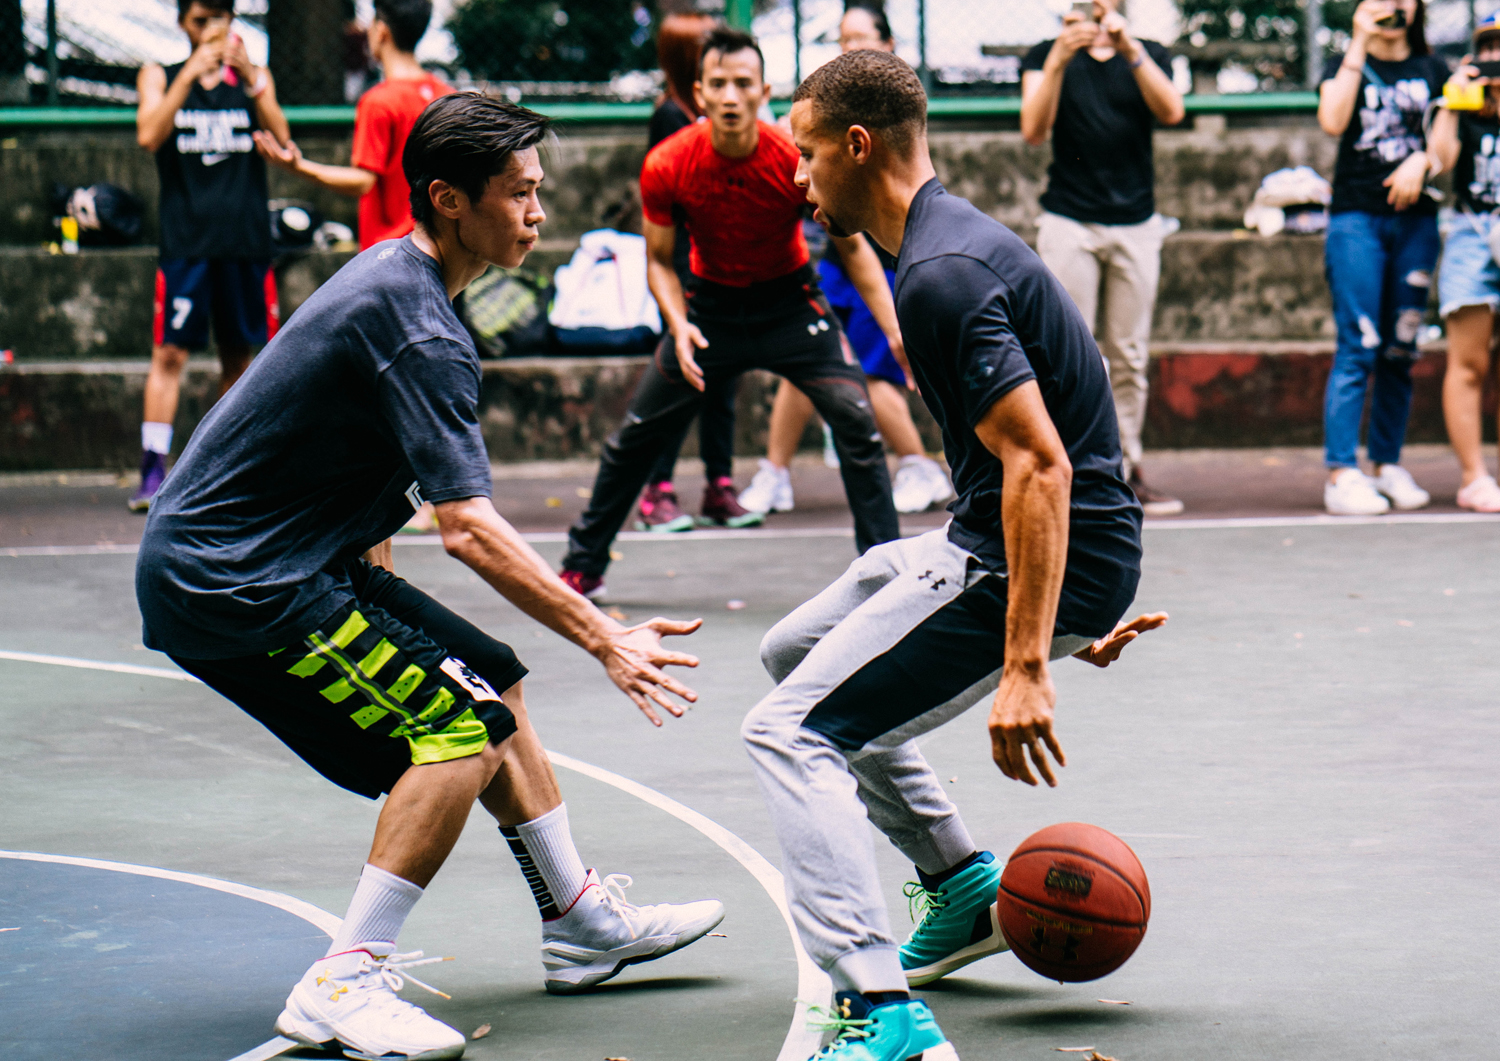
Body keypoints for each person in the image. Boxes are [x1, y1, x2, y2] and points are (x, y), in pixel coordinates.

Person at [135, 93, 724, 1059]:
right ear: (449, 200)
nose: (540, 213)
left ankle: (577, 918)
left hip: (287, 556)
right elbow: (471, 530)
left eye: (541, 191)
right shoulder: (418, 324)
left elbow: (351, 464)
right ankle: (341, 979)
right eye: (521, 194)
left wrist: (386, 601)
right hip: (235, 579)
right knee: (458, 728)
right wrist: (606, 635)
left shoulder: (412, 286)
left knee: (492, 676)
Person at [742, 49, 1166, 1059]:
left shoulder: (942, 272)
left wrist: (1030, 654)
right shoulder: (934, 244)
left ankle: (880, 1012)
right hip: (1013, 545)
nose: (796, 177)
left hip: (1018, 554)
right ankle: (961, 881)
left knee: (788, 732)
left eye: (804, 154)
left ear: (856, 144)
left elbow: (1043, 464)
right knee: (793, 653)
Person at [558, 28, 901, 601]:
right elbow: (662, 263)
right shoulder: (668, 164)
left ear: (763, 90)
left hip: (791, 305)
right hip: (708, 313)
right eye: (718, 84)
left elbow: (851, 246)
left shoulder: (790, 157)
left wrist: (894, 328)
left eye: (744, 83)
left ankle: (885, 575)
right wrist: (678, 323)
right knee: (633, 439)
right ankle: (581, 568)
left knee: (857, 425)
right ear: (700, 94)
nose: (732, 95)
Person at [739, 1, 954, 518]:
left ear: (888, 46)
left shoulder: (896, 122)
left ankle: (918, 462)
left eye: (860, 37)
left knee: (871, 372)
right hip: (838, 262)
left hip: (880, 262)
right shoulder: (827, 117)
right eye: (842, 39)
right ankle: (776, 471)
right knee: (809, 365)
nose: (849, 48)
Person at [1020, 0, 1185, 517]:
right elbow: (1033, 129)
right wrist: (1057, 62)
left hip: (1136, 221)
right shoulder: (1045, 54)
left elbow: (1172, 110)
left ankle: (1126, 468)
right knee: (1068, 349)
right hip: (1070, 219)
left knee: (1130, 352)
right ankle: (1067, 467)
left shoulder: (1148, 53)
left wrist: (1130, 48)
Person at [129, 0, 290, 512]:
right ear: (183, 24)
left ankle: (230, 468)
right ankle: (154, 467)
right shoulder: (161, 75)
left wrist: (254, 82)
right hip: (187, 242)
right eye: (200, 21)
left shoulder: (251, 80)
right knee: (170, 353)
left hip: (242, 240)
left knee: (242, 359)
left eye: (219, 19)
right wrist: (189, 77)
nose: (211, 31)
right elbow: (149, 134)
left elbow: (283, 140)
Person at [633, 10, 762, 533]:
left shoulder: (730, 117)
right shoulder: (672, 117)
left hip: (720, 270)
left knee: (722, 384)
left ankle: (718, 486)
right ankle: (656, 491)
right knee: (680, 382)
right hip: (687, 273)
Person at [1315, 0, 1443, 516]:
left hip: (1417, 223)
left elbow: (1447, 148)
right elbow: (1332, 119)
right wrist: (1358, 41)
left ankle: (1386, 462)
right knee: (1359, 343)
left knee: (1401, 347)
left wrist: (1424, 159)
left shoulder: (1435, 70)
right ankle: (1341, 471)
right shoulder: (1344, 62)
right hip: (1357, 220)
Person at [254, 0, 452, 251]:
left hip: (393, 253)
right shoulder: (445, 95)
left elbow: (363, 181)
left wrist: (298, 166)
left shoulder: (379, 101)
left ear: (381, 31)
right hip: (441, 251)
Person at [1427, 15, 1500, 511]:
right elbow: (1440, 160)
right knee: (1468, 362)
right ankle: (1475, 476)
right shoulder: (1466, 106)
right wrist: (1454, 102)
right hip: (1473, 231)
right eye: (1489, 48)